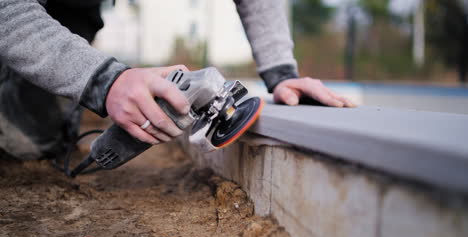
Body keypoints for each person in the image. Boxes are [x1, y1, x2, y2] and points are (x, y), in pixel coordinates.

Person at [0, 0, 354, 160]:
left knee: (40, 143)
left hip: (76, 12)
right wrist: (103, 80)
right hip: (31, 12)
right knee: (20, 145)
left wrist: (281, 72)